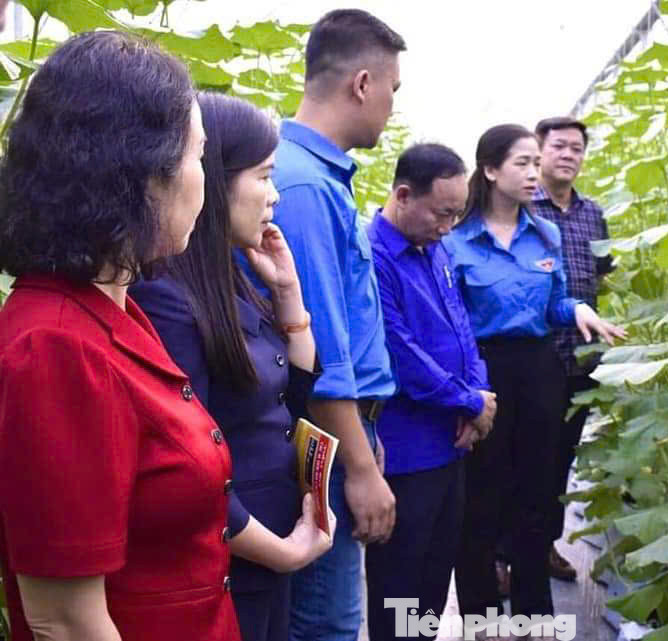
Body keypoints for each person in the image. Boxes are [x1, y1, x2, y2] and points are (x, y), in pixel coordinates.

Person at [0, 31, 241, 640]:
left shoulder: (110, 308)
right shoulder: (55, 347)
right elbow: (65, 620)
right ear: (141, 174)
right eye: (197, 156)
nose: (202, 181)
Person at [130, 93, 335, 641]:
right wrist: (281, 552)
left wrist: (288, 294)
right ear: (213, 179)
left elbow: (293, 398)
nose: (273, 197)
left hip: (269, 544)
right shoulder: (166, 298)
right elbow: (185, 467)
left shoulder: (231, 277)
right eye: (264, 177)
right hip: (232, 556)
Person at [444, 124, 625, 632]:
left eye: (532, 163)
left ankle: (533, 617)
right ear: (490, 170)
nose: (532, 173)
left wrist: (580, 310)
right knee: (480, 504)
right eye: (522, 163)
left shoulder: (543, 234)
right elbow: (452, 326)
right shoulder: (456, 242)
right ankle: (481, 617)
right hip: (482, 374)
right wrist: (465, 396)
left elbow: (555, 303)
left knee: (535, 497)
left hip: (540, 372)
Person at [262, 9, 405, 641]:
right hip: (323, 438)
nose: (392, 108)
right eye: (394, 91)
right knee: (327, 624)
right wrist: (361, 470)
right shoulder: (304, 186)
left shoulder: (307, 174)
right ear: (364, 82)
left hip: (339, 432)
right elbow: (316, 355)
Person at [365, 143, 497, 641]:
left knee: (435, 578)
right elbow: (399, 350)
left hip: (451, 445)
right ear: (403, 195)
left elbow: (461, 327)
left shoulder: (435, 248)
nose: (449, 225)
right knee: (399, 586)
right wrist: (467, 402)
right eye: (442, 213)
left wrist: (480, 394)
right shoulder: (375, 255)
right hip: (407, 454)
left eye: (457, 214)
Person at [529, 116, 616, 582]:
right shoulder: (524, 206)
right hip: (534, 353)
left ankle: (545, 545)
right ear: (539, 152)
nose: (568, 155)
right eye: (559, 146)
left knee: (563, 455)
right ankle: (507, 554)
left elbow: (601, 271)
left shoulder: (592, 212)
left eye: (576, 149)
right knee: (524, 457)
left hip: (580, 355)